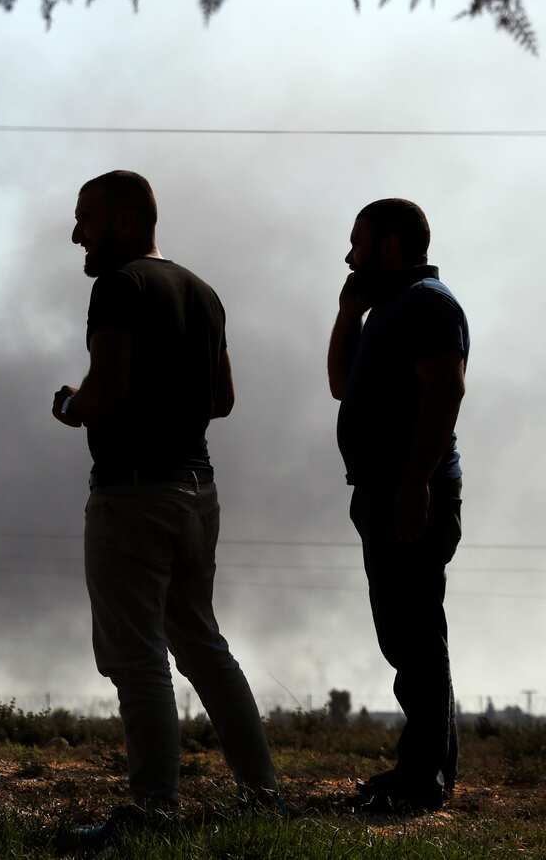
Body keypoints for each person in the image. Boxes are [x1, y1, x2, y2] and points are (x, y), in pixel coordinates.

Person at [52, 171, 279, 842]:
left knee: (136, 657)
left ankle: (153, 812)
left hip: (132, 493)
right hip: (196, 492)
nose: (76, 235)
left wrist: (70, 404)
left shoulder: (118, 288)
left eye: (84, 220)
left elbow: (106, 390)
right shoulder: (201, 292)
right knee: (204, 646)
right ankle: (263, 796)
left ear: (122, 222)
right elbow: (223, 398)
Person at [328, 198, 468, 813]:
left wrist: (416, 485)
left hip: (410, 492)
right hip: (383, 491)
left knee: (415, 634)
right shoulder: (388, 309)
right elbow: (340, 383)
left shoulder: (430, 306)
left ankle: (422, 780)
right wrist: (347, 313)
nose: (350, 254)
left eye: (358, 242)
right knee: (408, 634)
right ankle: (425, 770)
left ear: (388, 246)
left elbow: (445, 392)